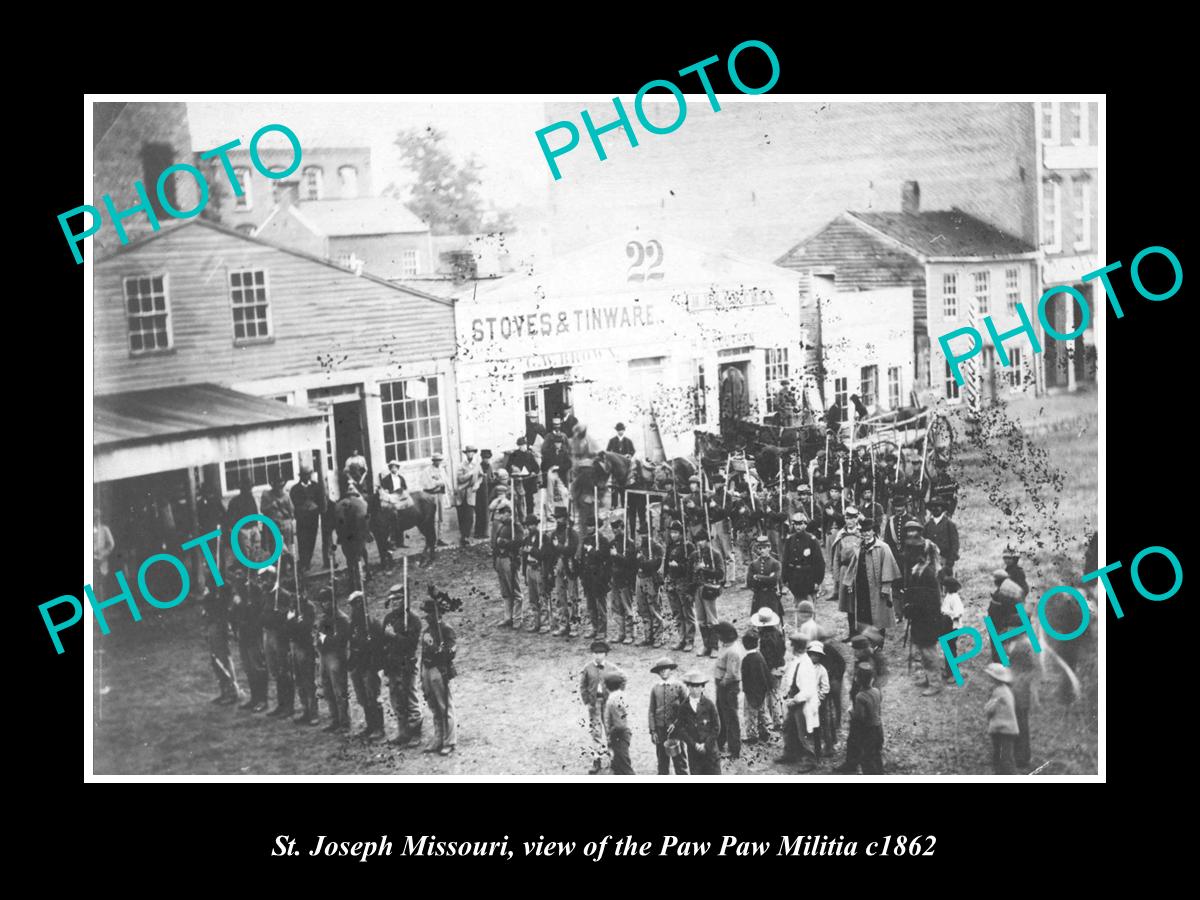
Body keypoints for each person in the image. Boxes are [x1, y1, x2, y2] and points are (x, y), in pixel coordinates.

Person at [840, 519, 901, 638]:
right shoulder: (858, 547)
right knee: (864, 612)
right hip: (862, 586)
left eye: (868, 531)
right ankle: (866, 638)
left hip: (877, 588)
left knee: (879, 614)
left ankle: (879, 641)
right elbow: (853, 566)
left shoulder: (883, 547)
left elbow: (888, 568)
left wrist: (885, 588)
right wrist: (850, 583)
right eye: (863, 531)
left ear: (874, 531)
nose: (866, 534)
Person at [381, 584, 424, 746]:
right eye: (392, 599)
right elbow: (383, 643)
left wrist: (394, 636)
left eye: (398, 599)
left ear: (405, 600)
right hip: (393, 664)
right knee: (396, 700)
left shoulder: (413, 619)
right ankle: (403, 732)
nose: (394, 602)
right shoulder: (388, 619)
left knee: (410, 698)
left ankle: (415, 733)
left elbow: (410, 644)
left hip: (407, 663)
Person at [905, 540, 947, 696]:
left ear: (924, 555)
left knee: (928, 651)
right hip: (919, 617)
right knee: (922, 650)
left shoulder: (929, 573)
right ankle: (928, 677)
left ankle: (935, 683)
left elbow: (930, 600)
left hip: (928, 619)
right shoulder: (917, 570)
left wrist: (914, 608)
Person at [421, 596, 458, 756]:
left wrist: (433, 646)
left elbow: (450, 654)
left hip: (440, 670)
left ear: (437, 613)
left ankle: (449, 741)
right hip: (428, 670)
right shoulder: (427, 631)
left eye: (429, 613)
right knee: (434, 706)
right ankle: (438, 738)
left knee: (444, 707)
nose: (426, 616)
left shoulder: (446, 629)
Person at [347, 590, 385, 740]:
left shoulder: (373, 624)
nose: (356, 608)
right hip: (358, 665)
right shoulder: (354, 625)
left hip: (370, 666)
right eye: (353, 605)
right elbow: (352, 643)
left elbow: (380, 647)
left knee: (373, 697)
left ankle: (379, 728)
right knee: (363, 697)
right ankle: (370, 725)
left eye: (358, 604)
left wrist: (374, 664)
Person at [258, 565, 295, 719]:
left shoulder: (284, 595)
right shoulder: (265, 595)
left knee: (284, 671)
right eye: (261, 580)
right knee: (275, 671)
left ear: (272, 578)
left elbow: (291, 615)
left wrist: (280, 614)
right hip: (268, 634)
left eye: (265, 579)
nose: (263, 583)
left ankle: (289, 706)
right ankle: (281, 704)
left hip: (280, 637)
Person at [777, 633, 818, 772]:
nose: (789, 646)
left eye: (791, 644)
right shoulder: (796, 659)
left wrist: (795, 700)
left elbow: (808, 690)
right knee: (789, 728)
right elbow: (790, 676)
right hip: (793, 700)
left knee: (804, 732)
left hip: (802, 702)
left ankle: (810, 760)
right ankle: (790, 754)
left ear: (797, 647)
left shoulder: (806, 664)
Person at [834, 663, 884, 774]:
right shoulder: (876, 691)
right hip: (877, 727)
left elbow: (860, 717)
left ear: (857, 679)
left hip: (867, 730)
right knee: (875, 754)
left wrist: (852, 712)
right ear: (872, 679)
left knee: (866, 758)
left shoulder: (860, 696)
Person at [316, 588, 352, 733]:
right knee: (328, 689)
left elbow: (341, 641)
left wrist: (326, 639)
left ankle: (344, 722)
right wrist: (323, 640)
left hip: (336, 656)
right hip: (324, 656)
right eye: (322, 601)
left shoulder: (341, 619)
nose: (325, 604)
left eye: (327, 601)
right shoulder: (324, 618)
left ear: (333, 601)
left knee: (339, 691)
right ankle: (334, 719)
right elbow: (318, 638)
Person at [781, 513, 824, 627]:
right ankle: (800, 632)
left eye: (801, 524)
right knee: (798, 606)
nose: (798, 527)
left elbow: (819, 562)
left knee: (809, 607)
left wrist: (817, 581)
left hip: (809, 578)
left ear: (805, 525)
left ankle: (810, 632)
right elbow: (785, 560)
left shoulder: (812, 540)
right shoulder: (790, 540)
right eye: (796, 524)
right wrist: (785, 579)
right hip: (795, 579)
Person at [286, 578, 320, 725]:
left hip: (305, 647)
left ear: (304, 593)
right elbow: (287, 629)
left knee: (308, 680)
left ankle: (313, 713)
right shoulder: (292, 608)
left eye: (298, 592)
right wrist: (292, 621)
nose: (295, 596)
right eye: (293, 593)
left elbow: (305, 628)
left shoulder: (308, 608)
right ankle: (305, 710)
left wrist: (294, 622)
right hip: (294, 646)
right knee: (298, 680)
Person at [648, 657, 689, 775]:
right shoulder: (655, 688)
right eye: (660, 670)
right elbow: (651, 710)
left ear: (671, 669)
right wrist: (653, 730)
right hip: (660, 729)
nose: (663, 672)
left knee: (679, 761)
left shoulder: (679, 686)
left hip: (675, 730)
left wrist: (677, 724)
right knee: (662, 761)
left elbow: (685, 709)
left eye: (665, 669)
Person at [677, 669, 722, 775]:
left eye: (697, 686)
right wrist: (694, 745)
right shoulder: (684, 707)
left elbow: (716, 727)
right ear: (687, 687)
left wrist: (706, 745)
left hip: (710, 752)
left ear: (703, 688)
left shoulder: (709, 704)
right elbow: (681, 729)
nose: (694, 689)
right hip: (694, 754)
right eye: (691, 686)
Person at [201, 583, 240, 705]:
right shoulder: (210, 587)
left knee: (223, 659)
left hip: (220, 625)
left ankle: (232, 692)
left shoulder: (223, 586)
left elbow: (226, 607)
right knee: (215, 660)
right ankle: (224, 691)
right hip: (212, 625)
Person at [690, 529, 725, 657]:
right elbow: (690, 573)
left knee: (711, 618)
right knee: (701, 619)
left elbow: (720, 573)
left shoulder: (715, 554)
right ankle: (706, 645)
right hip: (697, 588)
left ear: (707, 540)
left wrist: (704, 568)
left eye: (702, 540)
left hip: (709, 588)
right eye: (698, 540)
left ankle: (715, 646)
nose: (700, 543)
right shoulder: (694, 555)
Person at [749, 608, 785, 731]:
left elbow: (767, 657)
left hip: (771, 669)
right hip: (780, 666)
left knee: (772, 695)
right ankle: (779, 719)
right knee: (776, 694)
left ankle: (777, 721)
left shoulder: (765, 639)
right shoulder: (778, 634)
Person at [579, 640, 612, 773]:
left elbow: (618, 684)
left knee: (610, 731)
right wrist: (587, 701)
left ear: (605, 654)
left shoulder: (611, 668)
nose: (598, 656)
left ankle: (613, 760)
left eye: (601, 653)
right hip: (594, 703)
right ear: (593, 654)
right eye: (596, 653)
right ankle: (597, 760)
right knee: (596, 732)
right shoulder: (587, 668)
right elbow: (583, 686)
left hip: (607, 703)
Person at [663, 521, 696, 652]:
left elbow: (691, 566)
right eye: (672, 532)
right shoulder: (670, 546)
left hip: (683, 582)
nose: (673, 535)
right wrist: (665, 576)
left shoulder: (688, 547)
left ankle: (690, 640)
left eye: (676, 532)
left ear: (681, 533)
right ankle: (681, 638)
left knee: (687, 612)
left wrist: (680, 566)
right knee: (677, 612)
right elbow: (666, 563)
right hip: (672, 581)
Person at [712, 621, 742, 759]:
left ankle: (734, 748)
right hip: (722, 685)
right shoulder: (725, 646)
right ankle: (721, 741)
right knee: (722, 714)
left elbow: (732, 674)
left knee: (730, 717)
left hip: (728, 686)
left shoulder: (733, 651)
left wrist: (722, 684)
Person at [333, 483, 371, 592]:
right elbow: (366, 519)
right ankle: (361, 579)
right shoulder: (361, 503)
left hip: (345, 535)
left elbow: (338, 522)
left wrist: (340, 535)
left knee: (349, 558)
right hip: (358, 534)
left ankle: (351, 581)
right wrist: (367, 532)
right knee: (359, 554)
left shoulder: (339, 504)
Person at [634, 519, 666, 647]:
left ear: (650, 533)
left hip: (651, 580)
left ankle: (659, 637)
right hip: (640, 578)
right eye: (641, 533)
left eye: (645, 533)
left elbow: (654, 565)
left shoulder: (656, 547)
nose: (643, 536)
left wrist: (643, 562)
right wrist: (643, 563)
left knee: (654, 608)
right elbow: (636, 563)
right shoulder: (639, 547)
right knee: (643, 609)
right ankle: (648, 636)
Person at [521, 514, 554, 633]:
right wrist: (524, 573)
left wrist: (532, 550)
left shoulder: (544, 538)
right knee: (532, 597)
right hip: (530, 568)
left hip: (540, 568)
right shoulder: (526, 539)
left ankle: (545, 623)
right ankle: (536, 622)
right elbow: (524, 558)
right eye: (528, 525)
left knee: (542, 595)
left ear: (536, 525)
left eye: (533, 525)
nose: (530, 527)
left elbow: (545, 555)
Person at [983, 662, 1019, 774]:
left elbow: (989, 708)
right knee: (1002, 755)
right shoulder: (1005, 690)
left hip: (1003, 729)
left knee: (1004, 758)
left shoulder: (999, 692)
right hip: (1005, 728)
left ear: (995, 679)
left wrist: (987, 705)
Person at [550, 506, 580, 638]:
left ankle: (574, 625)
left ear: (566, 519)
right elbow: (550, 552)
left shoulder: (572, 534)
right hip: (558, 566)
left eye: (561, 518)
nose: (558, 521)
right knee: (560, 597)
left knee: (573, 597)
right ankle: (563, 624)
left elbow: (572, 550)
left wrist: (559, 547)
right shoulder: (554, 534)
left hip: (570, 567)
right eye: (556, 518)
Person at [492, 504, 523, 628]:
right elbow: (495, 545)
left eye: (503, 513)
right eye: (500, 514)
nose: (501, 516)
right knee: (505, 591)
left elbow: (519, 542)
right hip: (500, 560)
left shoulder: (516, 527)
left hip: (510, 560)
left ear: (509, 513)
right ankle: (507, 617)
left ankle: (517, 618)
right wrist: (495, 561)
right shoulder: (501, 527)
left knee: (515, 590)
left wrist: (505, 543)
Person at [608, 513, 637, 644]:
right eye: (613, 528)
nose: (615, 530)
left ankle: (631, 634)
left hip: (625, 580)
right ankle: (621, 633)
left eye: (617, 528)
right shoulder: (612, 543)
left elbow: (630, 563)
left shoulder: (629, 544)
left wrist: (617, 555)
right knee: (616, 607)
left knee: (627, 608)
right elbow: (608, 561)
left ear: (622, 527)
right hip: (615, 579)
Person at [291, 466, 328, 570]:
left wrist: (317, 508)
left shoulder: (316, 486)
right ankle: (303, 561)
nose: (307, 477)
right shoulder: (295, 489)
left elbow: (320, 500)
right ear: (301, 476)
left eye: (309, 474)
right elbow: (294, 503)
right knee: (302, 539)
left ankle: (308, 560)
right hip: (302, 519)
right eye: (305, 475)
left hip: (313, 517)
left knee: (312, 539)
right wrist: (302, 508)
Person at [740, 629, 772, 744]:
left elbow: (745, 679)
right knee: (762, 712)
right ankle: (764, 732)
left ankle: (752, 736)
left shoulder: (746, 660)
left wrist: (746, 691)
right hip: (761, 692)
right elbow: (766, 674)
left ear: (744, 645)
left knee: (750, 715)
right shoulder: (760, 656)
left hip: (751, 693)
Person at [987, 569, 1026, 662]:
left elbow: (997, 611)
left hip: (1010, 618)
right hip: (1018, 615)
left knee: (994, 632)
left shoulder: (1002, 592)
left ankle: (998, 659)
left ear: (997, 581)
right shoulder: (1012, 586)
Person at [807, 641, 835, 757]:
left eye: (817, 655)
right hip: (805, 700)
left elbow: (825, 687)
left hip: (818, 702)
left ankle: (823, 750)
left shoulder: (821, 670)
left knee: (820, 725)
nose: (815, 657)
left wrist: (819, 698)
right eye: (813, 654)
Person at [746, 534, 784, 620]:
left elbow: (774, 580)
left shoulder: (775, 563)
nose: (761, 550)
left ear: (769, 548)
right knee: (759, 621)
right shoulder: (753, 564)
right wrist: (767, 578)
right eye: (759, 548)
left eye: (764, 548)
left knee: (774, 621)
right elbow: (750, 582)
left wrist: (758, 577)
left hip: (772, 597)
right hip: (759, 597)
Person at [604, 670, 634, 775]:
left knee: (624, 765)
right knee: (617, 764)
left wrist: (610, 733)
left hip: (619, 734)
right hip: (623, 732)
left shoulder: (612, 699)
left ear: (607, 686)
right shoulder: (623, 695)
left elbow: (619, 723)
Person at [227, 477, 261, 562]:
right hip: (243, 530)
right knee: (246, 553)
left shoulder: (251, 498)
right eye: (246, 487)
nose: (249, 490)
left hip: (253, 528)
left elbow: (255, 512)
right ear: (242, 489)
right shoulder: (235, 501)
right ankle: (248, 573)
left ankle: (255, 572)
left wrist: (257, 527)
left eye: (249, 488)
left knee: (256, 551)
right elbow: (231, 518)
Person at [923, 498, 959, 578]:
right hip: (931, 561)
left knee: (945, 583)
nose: (935, 508)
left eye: (938, 506)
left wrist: (950, 561)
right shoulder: (927, 526)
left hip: (945, 560)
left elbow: (955, 544)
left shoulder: (949, 524)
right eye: (933, 506)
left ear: (942, 508)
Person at [454, 446, 482, 548]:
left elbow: (480, 476)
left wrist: (477, 484)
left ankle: (466, 536)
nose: (470, 454)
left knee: (470, 516)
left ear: (474, 453)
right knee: (461, 515)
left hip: (471, 493)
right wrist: (470, 473)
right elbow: (460, 478)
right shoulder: (461, 465)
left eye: (472, 452)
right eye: (468, 452)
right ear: (466, 454)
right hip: (461, 493)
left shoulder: (477, 465)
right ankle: (463, 536)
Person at [261, 475, 296, 554]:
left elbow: (292, 514)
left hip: (284, 526)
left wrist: (282, 509)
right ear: (273, 485)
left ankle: (286, 562)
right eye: (278, 486)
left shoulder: (286, 496)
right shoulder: (266, 495)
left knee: (285, 548)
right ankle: (275, 564)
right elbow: (262, 509)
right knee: (273, 548)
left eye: (281, 486)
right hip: (271, 526)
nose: (279, 488)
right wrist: (271, 505)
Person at [378, 460, 409, 550]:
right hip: (391, 500)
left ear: (398, 468)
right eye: (392, 467)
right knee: (393, 520)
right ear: (390, 468)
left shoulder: (401, 478)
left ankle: (401, 542)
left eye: (395, 467)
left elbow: (405, 488)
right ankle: (393, 542)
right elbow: (384, 491)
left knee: (402, 519)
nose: (394, 469)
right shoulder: (386, 479)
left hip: (400, 499)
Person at [940, 576, 965, 682]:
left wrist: (947, 614)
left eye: (944, 587)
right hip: (947, 625)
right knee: (947, 648)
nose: (943, 588)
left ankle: (954, 673)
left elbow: (958, 612)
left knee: (951, 649)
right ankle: (948, 670)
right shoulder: (948, 596)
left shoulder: (955, 597)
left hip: (953, 626)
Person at [423, 451, 450, 547]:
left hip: (440, 495)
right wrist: (438, 483)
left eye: (440, 460)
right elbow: (426, 484)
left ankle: (440, 538)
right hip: (432, 496)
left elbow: (446, 481)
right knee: (434, 518)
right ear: (433, 461)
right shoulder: (428, 470)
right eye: (436, 460)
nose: (438, 462)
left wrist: (440, 483)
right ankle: (432, 540)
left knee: (441, 517)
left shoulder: (442, 470)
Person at [509, 436, 539, 518]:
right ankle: (520, 516)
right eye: (522, 445)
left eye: (525, 445)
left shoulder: (529, 455)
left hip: (528, 479)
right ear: (518, 446)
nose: (524, 447)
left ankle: (530, 514)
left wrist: (533, 472)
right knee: (519, 499)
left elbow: (536, 467)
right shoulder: (514, 455)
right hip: (519, 480)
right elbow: (508, 468)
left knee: (529, 498)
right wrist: (513, 470)